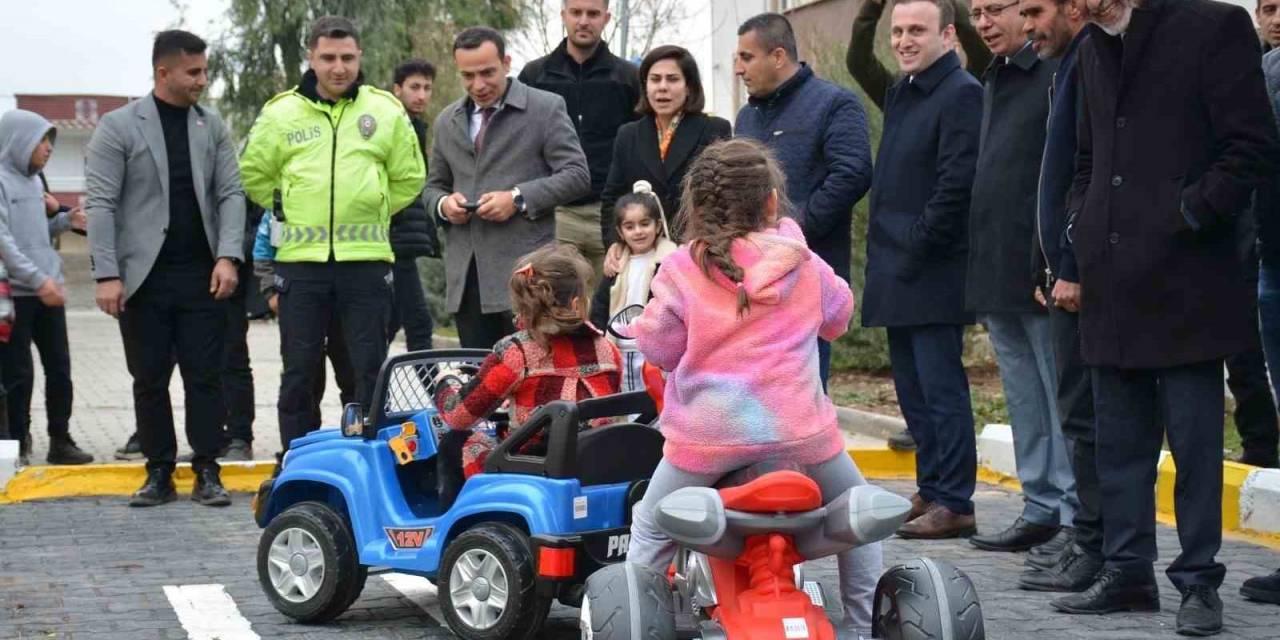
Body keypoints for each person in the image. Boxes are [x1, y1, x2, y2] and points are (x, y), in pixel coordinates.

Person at [1049, 1, 1277, 635]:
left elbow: (1251, 144)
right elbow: (1088, 157)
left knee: (1196, 446)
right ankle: (1128, 574)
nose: (1074, 7)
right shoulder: (1094, 43)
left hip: (1189, 280)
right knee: (1118, 441)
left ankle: (1199, 583)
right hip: (1111, 279)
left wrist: (1191, 215)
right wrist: (1082, 225)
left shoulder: (1214, 25)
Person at [626, 138, 878, 637]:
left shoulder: (680, 270)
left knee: (652, 525)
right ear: (770, 202)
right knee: (861, 517)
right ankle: (862, 625)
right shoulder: (801, 262)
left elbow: (660, 350)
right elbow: (839, 316)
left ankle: (637, 618)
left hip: (706, 443)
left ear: (696, 206)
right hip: (803, 437)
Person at [239, 16, 425, 452]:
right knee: (300, 372)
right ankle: (298, 460)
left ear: (360, 57)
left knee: (365, 371)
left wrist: (373, 203)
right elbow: (254, 174)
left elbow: (408, 177)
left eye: (346, 58)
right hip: (300, 266)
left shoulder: (384, 109)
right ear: (312, 58)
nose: (338, 68)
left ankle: (367, 458)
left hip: (366, 264)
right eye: (328, 58)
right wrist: (291, 203)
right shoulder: (281, 111)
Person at [85, 30, 245, 506]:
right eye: (193, 72)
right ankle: (158, 472)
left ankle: (206, 469)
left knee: (205, 377)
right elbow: (100, 203)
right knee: (149, 378)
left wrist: (228, 256)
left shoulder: (211, 126)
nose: (203, 80)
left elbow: (230, 194)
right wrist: (106, 273)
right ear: (163, 73)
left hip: (203, 276)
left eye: (204, 71)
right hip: (143, 279)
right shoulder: (118, 127)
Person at [846, 0, 991, 455]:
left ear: (948, 36)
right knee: (914, 396)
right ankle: (931, 492)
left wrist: (914, 245)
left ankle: (952, 498)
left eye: (917, 31)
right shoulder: (903, 92)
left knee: (941, 394)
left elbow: (955, 186)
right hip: (898, 270)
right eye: (898, 31)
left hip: (932, 270)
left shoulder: (961, 91)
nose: (904, 41)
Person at [962, 0, 1076, 554]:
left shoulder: (1056, 69)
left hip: (1041, 268)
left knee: (1061, 397)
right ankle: (1040, 506)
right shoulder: (995, 76)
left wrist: (1050, 256)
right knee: (1024, 397)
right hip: (995, 265)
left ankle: (1075, 515)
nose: (984, 22)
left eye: (995, 9)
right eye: (975, 11)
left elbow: (1057, 175)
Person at [424, 27, 590, 350]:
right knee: (479, 385)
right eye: (468, 76)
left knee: (535, 383)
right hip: (468, 281)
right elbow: (432, 187)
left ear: (507, 62)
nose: (478, 85)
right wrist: (444, 205)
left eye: (487, 72)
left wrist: (517, 198)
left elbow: (577, 175)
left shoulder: (545, 108)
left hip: (530, 277)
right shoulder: (447, 121)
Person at [1016, 0, 1106, 594]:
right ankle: (1090, 539)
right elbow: (1050, 180)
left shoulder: (1090, 64)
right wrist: (1041, 260)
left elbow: (1089, 173)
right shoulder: (1066, 67)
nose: (1028, 26)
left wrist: (1069, 262)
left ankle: (1098, 544)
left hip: (1087, 275)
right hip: (1059, 269)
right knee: (1077, 414)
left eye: (1035, 11)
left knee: (1089, 416)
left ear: (1074, 10)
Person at [733, 12, 873, 387]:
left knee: (803, 396)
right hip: (751, 281)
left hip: (806, 279)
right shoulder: (746, 117)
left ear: (778, 56)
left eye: (747, 57)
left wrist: (791, 235)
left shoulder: (834, 104)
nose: (738, 69)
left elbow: (852, 174)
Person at [433, 244, 621, 510]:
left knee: (455, 440)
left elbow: (459, 416)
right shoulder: (607, 349)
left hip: (531, 470)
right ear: (578, 303)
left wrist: (445, 382)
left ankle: (454, 529)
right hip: (591, 462)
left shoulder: (516, 351)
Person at [519, 0, 640, 289]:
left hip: (611, 215)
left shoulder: (628, 78)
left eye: (593, 14)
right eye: (576, 12)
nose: (584, 21)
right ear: (563, 16)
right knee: (557, 308)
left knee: (609, 310)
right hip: (556, 214)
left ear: (606, 18)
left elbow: (640, 144)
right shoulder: (535, 77)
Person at [0, 111, 92, 467]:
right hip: (18, 295)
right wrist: (39, 282)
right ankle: (17, 442)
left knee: (60, 369)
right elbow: (5, 242)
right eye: (42, 140)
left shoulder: (37, 182)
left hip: (48, 291)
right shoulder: (3, 182)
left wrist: (66, 221)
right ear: (18, 140)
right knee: (17, 373)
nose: (48, 147)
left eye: (50, 139)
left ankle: (60, 439)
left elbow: (38, 234)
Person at [599, 44, 731, 256]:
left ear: (689, 87)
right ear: (645, 85)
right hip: (640, 252)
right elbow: (612, 198)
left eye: (672, 79)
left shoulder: (714, 129)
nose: (662, 87)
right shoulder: (628, 134)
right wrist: (615, 242)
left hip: (695, 253)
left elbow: (723, 197)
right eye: (655, 79)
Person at [252, 212, 356, 430]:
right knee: (300, 379)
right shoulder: (289, 192)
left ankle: (361, 445)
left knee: (356, 379)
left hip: (349, 297)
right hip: (300, 295)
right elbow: (264, 244)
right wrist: (270, 289)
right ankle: (297, 450)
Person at [590, 191, 677, 391]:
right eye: (630, 227)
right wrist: (599, 340)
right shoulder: (616, 265)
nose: (638, 231)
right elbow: (601, 305)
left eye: (644, 224)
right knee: (628, 404)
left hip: (656, 352)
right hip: (621, 349)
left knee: (658, 402)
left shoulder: (669, 261)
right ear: (620, 232)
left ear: (658, 226)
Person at [389, 58, 440, 352]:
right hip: (394, 243)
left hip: (404, 243)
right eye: (414, 87)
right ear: (398, 89)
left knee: (392, 322)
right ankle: (436, 394)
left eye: (427, 88)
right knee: (418, 324)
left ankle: (369, 394)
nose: (421, 95)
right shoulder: (395, 125)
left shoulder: (416, 127)